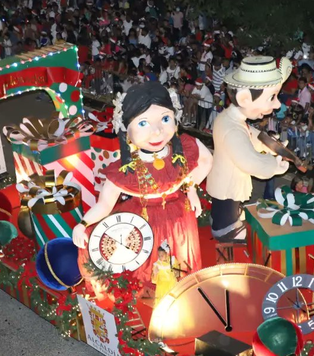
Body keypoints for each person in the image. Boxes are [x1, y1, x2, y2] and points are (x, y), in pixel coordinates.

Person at [73, 82, 212, 288]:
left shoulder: (183, 148)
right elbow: (104, 205)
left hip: (180, 218)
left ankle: (184, 292)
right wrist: (82, 225)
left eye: (165, 119)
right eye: (143, 123)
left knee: (181, 266)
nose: (157, 132)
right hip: (145, 223)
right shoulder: (124, 170)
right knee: (150, 273)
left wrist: (190, 187)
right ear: (125, 130)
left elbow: (207, 160)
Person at [206, 56, 292, 242]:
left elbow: (252, 136)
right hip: (228, 185)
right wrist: (273, 164)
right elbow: (250, 161)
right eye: (272, 97)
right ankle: (226, 232)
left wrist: (270, 145)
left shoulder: (231, 119)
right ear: (244, 98)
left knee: (229, 208)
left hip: (226, 181)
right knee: (227, 213)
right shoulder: (232, 128)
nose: (277, 104)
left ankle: (228, 226)